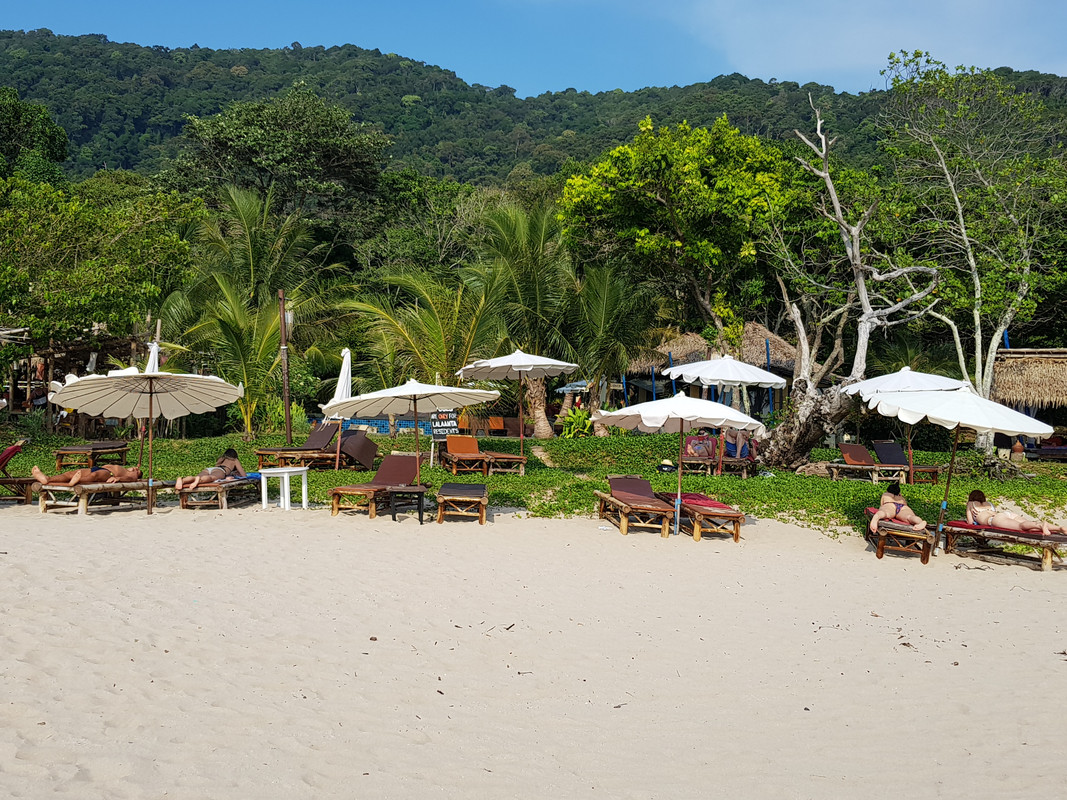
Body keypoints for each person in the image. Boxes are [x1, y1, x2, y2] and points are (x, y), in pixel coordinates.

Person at [966, 490, 1065, 536]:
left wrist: (974, 519)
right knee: (1028, 525)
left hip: (994, 520)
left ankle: (1041, 525)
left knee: (1021, 527)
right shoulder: (989, 504)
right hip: (1004, 514)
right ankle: (1059, 528)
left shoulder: (971, 503)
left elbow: (970, 522)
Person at [175, 449, 246, 491]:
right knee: (211, 478)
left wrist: (231, 474)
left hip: (210, 469)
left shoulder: (222, 458)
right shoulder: (234, 460)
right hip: (221, 470)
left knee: (195, 478)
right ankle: (199, 480)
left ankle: (183, 480)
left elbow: (217, 466)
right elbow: (243, 475)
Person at [32, 464, 142, 486]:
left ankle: (76, 482)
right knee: (70, 473)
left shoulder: (132, 474)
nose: (136, 469)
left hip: (109, 474)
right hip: (100, 468)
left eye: (138, 471)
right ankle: (48, 479)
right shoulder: (126, 468)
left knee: (94, 476)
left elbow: (131, 479)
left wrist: (118, 478)